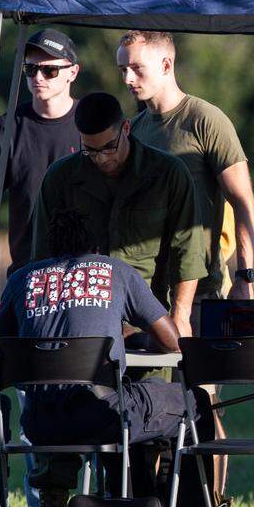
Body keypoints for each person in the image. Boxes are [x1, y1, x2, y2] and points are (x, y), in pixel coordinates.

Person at [118, 29, 254, 507]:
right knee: (152, 400)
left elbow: (244, 202)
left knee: (203, 400)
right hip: (144, 295)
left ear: (166, 64)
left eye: (136, 67)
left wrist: (247, 276)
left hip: (200, 291)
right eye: (123, 68)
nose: (128, 77)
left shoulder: (205, 120)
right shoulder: (133, 129)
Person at [0, 209, 192, 507]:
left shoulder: (21, 279)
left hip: (40, 425)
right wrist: (124, 329)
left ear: (49, 246)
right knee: (190, 403)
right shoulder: (116, 272)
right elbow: (172, 340)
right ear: (97, 245)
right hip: (104, 418)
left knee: (62, 402)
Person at [0, 27, 81, 507]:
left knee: (94, 397)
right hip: (30, 282)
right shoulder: (5, 129)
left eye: (49, 70)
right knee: (36, 405)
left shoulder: (94, 124)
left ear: (72, 73)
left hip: (89, 281)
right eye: (31, 70)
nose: (38, 79)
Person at [30, 92, 206, 336]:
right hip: (82, 323)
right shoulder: (60, 178)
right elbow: (43, 259)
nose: (102, 158)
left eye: (109, 147)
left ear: (125, 128)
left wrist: (181, 315)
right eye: (90, 151)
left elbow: (187, 251)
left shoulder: (168, 174)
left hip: (150, 322)